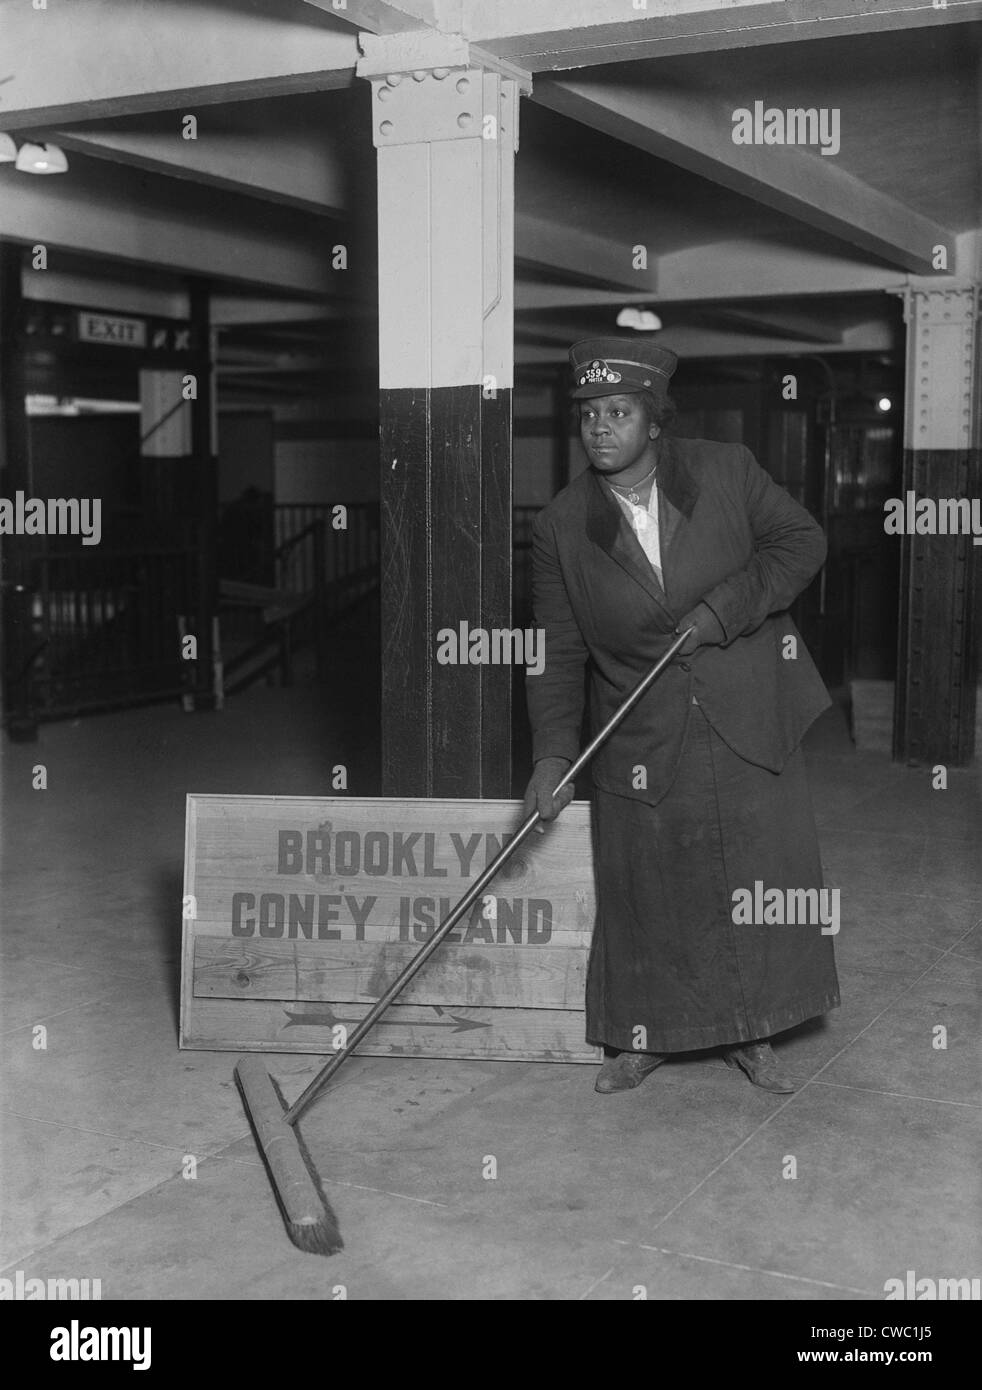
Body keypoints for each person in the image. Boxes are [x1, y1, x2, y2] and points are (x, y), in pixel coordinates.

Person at [523, 338, 840, 1095]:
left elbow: (803, 542)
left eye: (620, 412)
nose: (601, 428)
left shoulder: (725, 470)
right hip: (641, 729)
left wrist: (724, 608)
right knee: (653, 889)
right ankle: (646, 1036)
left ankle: (756, 1033)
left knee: (756, 875)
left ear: (655, 420)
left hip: (749, 706)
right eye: (590, 414)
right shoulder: (562, 527)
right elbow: (556, 654)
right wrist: (550, 755)